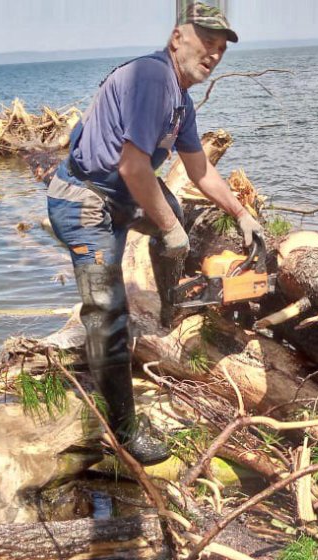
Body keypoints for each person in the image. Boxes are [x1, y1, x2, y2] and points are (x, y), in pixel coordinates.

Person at [47, 3, 262, 465]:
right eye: (206, 42)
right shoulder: (151, 79)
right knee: (107, 313)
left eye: (221, 49)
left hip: (120, 192)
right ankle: (123, 432)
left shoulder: (181, 101)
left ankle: (168, 305)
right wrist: (168, 230)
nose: (214, 55)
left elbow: (200, 169)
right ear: (176, 38)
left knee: (178, 212)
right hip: (84, 201)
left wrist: (242, 214)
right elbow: (132, 165)